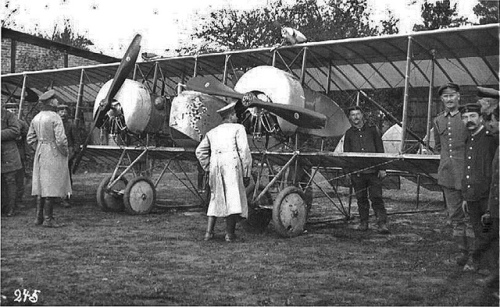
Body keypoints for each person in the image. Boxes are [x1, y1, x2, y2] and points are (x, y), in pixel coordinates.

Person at [195, 102, 252, 242]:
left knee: (216, 197)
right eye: (235, 115)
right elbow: (244, 152)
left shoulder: (212, 132)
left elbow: (199, 151)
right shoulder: (238, 128)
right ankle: (229, 234)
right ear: (231, 115)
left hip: (216, 163)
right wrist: (246, 173)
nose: (238, 117)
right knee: (233, 197)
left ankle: (209, 233)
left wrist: (208, 167)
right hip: (232, 164)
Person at [432, 83, 470, 268]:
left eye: (452, 96)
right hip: (448, 175)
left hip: (469, 174)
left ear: (458, 97)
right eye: (445, 97)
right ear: (442, 100)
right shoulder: (438, 120)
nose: (449, 99)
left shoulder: (468, 118)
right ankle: (462, 252)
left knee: (478, 215)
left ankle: (483, 253)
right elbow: (439, 147)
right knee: (455, 216)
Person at [459, 103, 497, 272]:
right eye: (465, 118)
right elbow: (468, 169)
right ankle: (484, 265)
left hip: (488, 196)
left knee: (488, 231)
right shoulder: (468, 139)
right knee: (478, 230)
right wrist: (466, 197)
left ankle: (484, 264)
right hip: (472, 195)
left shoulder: (491, 139)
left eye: (472, 116)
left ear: (481, 118)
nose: (469, 120)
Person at [27, 90, 72, 227]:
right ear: (51, 102)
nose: (57, 101)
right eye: (55, 99)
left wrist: (39, 148)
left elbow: (30, 138)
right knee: (51, 186)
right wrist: (65, 152)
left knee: (41, 185)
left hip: (41, 152)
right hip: (53, 152)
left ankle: (38, 217)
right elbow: (61, 140)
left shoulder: (36, 117)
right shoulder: (55, 117)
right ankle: (48, 219)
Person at [343, 106, 389, 234]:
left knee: (376, 197)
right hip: (358, 173)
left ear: (362, 115)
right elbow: (346, 154)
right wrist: (348, 172)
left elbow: (380, 150)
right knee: (361, 198)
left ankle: (382, 223)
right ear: (350, 118)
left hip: (373, 172)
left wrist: (382, 168)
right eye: (353, 115)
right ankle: (364, 222)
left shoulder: (373, 130)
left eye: (358, 114)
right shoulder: (349, 133)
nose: (356, 117)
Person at [4, 102, 30, 206]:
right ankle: (8, 202)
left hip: (19, 154)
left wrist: (27, 153)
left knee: (19, 178)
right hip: (6, 154)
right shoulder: (4, 123)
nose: (13, 111)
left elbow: (27, 139)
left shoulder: (21, 123)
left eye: (15, 109)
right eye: (10, 109)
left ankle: (18, 200)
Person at [1, 103, 23, 217]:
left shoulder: (8, 115)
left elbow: (16, 130)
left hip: (8, 154)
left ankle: (10, 208)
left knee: (10, 180)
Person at [57, 104, 80, 208]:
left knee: (66, 176)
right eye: (60, 111)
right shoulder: (54, 124)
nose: (63, 113)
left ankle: (66, 197)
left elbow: (76, 141)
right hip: (55, 152)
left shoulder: (71, 125)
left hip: (67, 153)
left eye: (65, 111)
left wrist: (74, 153)